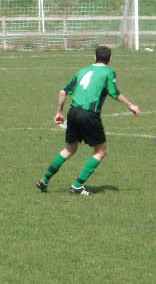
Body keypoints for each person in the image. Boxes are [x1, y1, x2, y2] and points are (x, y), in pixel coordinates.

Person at [36, 45, 140, 195]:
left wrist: (59, 112)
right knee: (101, 151)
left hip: (73, 112)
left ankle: (44, 180)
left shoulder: (82, 71)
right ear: (110, 59)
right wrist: (131, 105)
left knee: (69, 149)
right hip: (89, 115)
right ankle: (78, 186)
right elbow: (114, 93)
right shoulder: (108, 72)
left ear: (94, 57)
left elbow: (63, 91)